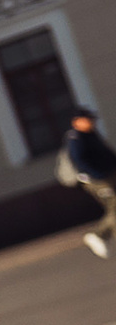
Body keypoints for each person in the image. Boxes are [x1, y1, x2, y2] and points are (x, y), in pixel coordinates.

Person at [63, 108, 116, 258]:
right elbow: (80, 161)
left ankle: (100, 235)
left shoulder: (91, 134)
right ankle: (98, 234)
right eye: (88, 119)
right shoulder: (76, 138)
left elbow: (106, 153)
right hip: (98, 180)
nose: (92, 122)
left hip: (109, 175)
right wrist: (97, 175)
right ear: (76, 122)